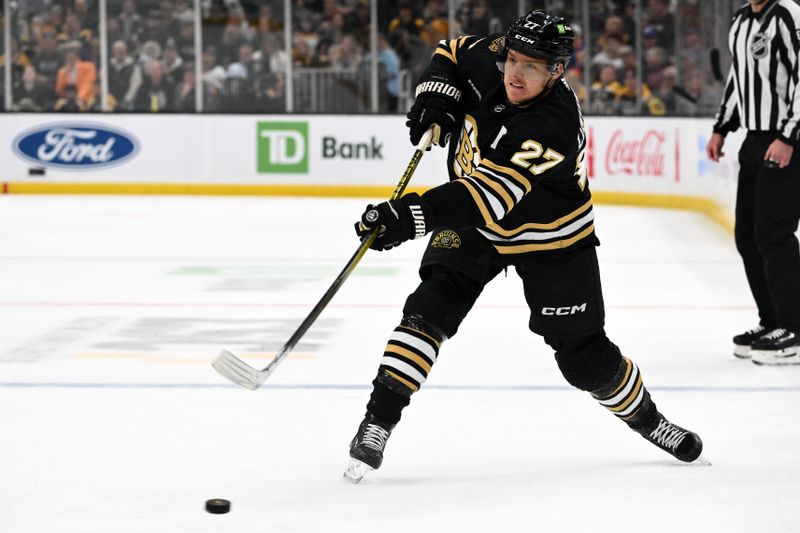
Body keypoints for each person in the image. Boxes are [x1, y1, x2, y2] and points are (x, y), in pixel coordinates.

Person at [344, 9, 704, 483]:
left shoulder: (550, 125)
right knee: (427, 311)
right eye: (513, 59)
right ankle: (377, 423)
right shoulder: (495, 59)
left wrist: (409, 216)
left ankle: (649, 420)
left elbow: (489, 197)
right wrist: (438, 96)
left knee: (584, 360)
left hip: (551, 238)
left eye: (531, 66)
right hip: (478, 228)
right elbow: (451, 52)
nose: (515, 73)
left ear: (557, 71)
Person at [707, 0, 800, 366]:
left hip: (787, 139)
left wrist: (789, 135)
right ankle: (773, 320)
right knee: (747, 236)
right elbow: (737, 79)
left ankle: (794, 326)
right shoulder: (740, 20)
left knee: (773, 233)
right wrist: (721, 127)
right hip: (755, 139)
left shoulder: (789, 13)